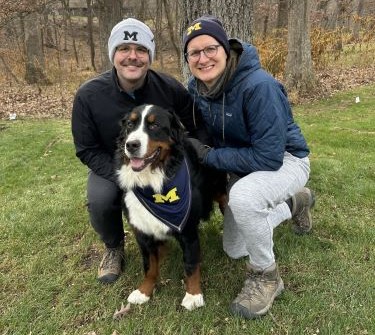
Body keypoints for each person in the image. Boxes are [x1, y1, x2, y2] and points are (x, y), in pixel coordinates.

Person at [182, 16, 315, 319]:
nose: (203, 58)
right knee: (234, 248)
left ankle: (266, 277)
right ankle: (296, 203)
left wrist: (210, 156)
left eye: (210, 48)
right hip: (243, 164)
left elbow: (269, 157)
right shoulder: (197, 90)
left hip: (287, 161)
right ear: (187, 59)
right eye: (194, 53)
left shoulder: (260, 86)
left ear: (226, 50)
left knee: (243, 199)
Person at [71, 18, 209, 284]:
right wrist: (126, 177)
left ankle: (181, 229)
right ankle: (114, 247)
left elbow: (194, 126)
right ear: (113, 54)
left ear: (149, 56)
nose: (132, 57)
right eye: (124, 49)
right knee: (101, 198)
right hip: (114, 165)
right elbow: (86, 150)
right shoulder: (88, 96)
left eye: (141, 50)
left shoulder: (169, 88)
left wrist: (196, 161)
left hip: (162, 166)